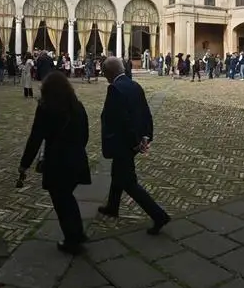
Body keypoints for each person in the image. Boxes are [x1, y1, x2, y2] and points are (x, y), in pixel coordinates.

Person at [18, 71, 91, 254]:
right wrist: (76, 149)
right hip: (76, 159)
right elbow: (85, 134)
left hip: (57, 161)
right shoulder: (77, 106)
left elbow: (35, 138)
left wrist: (24, 164)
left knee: (61, 202)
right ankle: (78, 232)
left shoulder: (46, 108)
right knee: (68, 197)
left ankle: (72, 240)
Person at [97, 58, 170, 234]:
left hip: (125, 142)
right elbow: (145, 112)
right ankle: (112, 207)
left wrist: (136, 142)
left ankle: (158, 215)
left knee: (128, 182)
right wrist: (146, 136)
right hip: (134, 140)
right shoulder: (134, 85)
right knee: (118, 174)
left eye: (104, 72)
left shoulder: (114, 89)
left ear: (109, 73)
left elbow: (122, 121)